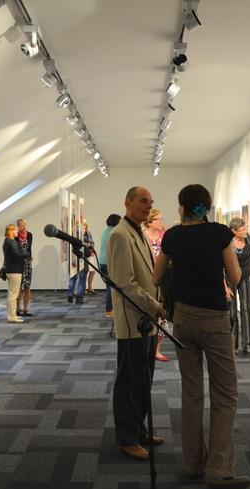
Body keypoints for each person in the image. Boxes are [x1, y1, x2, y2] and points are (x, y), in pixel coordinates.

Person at [153, 184, 250, 489]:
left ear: (182, 207)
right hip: (214, 320)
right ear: (206, 207)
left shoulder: (172, 236)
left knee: (191, 392)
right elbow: (235, 276)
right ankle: (219, 469)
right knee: (225, 393)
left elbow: (156, 277)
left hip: (183, 318)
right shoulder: (219, 233)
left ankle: (193, 464)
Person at [108, 186, 166, 461]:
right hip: (133, 321)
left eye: (150, 202)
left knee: (144, 380)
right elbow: (125, 284)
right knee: (129, 382)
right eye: (143, 201)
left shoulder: (137, 231)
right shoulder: (120, 234)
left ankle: (138, 429)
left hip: (146, 320)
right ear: (128, 202)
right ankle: (126, 438)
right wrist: (155, 306)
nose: (148, 206)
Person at [144, 209, 169, 362]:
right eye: (157, 219)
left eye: (161, 218)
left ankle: (157, 350)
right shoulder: (142, 236)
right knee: (148, 312)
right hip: (147, 278)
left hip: (163, 280)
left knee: (163, 315)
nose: (161, 221)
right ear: (149, 221)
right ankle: (146, 347)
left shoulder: (164, 235)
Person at [228, 217, 250, 354]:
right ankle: (233, 345)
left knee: (246, 309)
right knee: (232, 312)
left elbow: (249, 257)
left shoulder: (248, 239)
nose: (245, 231)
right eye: (242, 229)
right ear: (234, 231)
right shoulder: (228, 242)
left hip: (245, 276)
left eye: (245, 228)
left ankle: (248, 344)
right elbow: (222, 262)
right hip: (231, 278)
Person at [3, 224, 29, 323]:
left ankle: (11, 315)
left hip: (11, 270)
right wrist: (27, 254)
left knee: (11, 294)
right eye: (15, 230)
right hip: (15, 270)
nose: (17, 232)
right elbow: (17, 254)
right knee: (13, 295)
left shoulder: (6, 241)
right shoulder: (11, 242)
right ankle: (12, 316)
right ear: (10, 231)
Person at [100, 214, 121, 318]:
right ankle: (109, 310)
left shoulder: (105, 231)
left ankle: (110, 309)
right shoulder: (114, 232)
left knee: (109, 286)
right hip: (109, 262)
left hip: (102, 262)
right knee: (111, 287)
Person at [15, 218, 34, 316]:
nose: (23, 227)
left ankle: (26, 308)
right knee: (19, 287)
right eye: (21, 225)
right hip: (18, 264)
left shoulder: (29, 235)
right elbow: (15, 251)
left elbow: (29, 248)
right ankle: (18, 309)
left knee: (27, 286)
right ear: (18, 226)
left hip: (27, 264)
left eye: (25, 225)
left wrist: (30, 257)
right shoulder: (15, 236)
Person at [83, 221, 97, 296]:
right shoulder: (79, 233)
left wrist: (92, 250)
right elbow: (83, 244)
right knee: (84, 272)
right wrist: (89, 247)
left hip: (90, 254)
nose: (84, 226)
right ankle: (83, 288)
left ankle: (90, 287)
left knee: (93, 271)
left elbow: (92, 242)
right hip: (84, 255)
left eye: (85, 225)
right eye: (83, 224)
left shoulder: (88, 233)